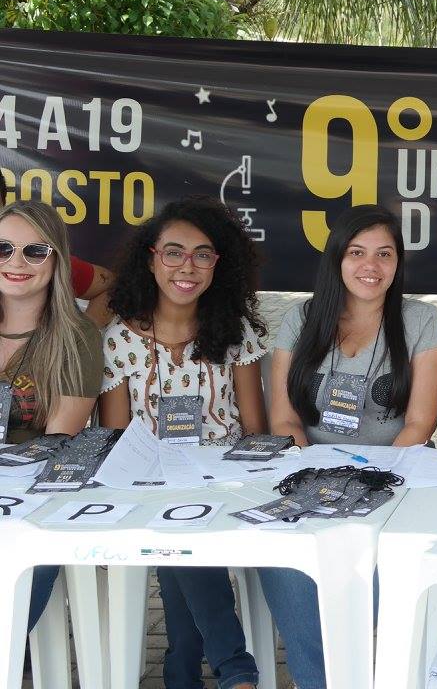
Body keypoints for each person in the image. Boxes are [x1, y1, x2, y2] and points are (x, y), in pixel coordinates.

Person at [260, 204, 437, 689]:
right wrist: (313, 480)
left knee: (375, 576)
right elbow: (284, 418)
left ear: (398, 262)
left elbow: (421, 422)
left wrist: (368, 483)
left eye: (385, 254)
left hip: (396, 479)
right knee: (284, 563)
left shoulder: (421, 320)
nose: (371, 266)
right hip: (308, 475)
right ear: (337, 258)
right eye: (357, 252)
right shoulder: (302, 318)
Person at [98, 197, 268, 689]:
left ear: (219, 264)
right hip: (150, 482)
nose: (187, 267)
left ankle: (185, 669)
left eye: (202, 254)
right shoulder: (118, 338)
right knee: (179, 533)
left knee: (182, 544)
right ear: (151, 259)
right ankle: (233, 669)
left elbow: (255, 429)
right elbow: (117, 439)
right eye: (173, 252)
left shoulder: (235, 332)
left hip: (227, 480)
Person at [0, 201, 103, 634]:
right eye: (3, 248)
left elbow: (56, 445)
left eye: (35, 251)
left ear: (57, 259)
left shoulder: (76, 338)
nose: (16, 262)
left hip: (29, 500)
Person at [0, 175, 116, 323]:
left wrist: (88, 331)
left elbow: (111, 285)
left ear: (4, 208)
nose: (16, 263)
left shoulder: (43, 264)